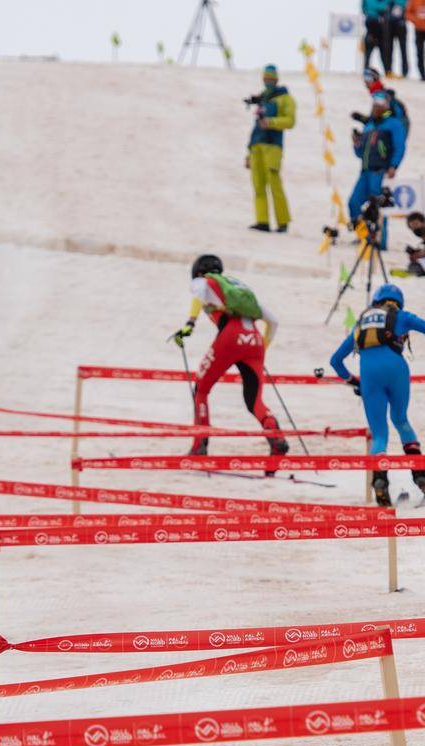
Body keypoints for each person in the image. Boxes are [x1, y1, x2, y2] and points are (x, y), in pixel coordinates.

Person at [329, 284, 425, 508]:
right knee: (401, 419)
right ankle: (421, 477)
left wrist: (353, 381)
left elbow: (335, 361)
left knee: (379, 435)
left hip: (369, 374)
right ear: (397, 301)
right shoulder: (400, 315)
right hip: (397, 370)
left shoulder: (361, 322)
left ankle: (380, 481)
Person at [171, 254, 288, 469]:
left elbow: (199, 289)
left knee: (201, 389)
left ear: (198, 272)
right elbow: (274, 321)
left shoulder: (208, 282)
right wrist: (262, 347)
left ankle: (200, 445)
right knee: (254, 400)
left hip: (230, 336)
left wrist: (190, 324)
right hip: (254, 339)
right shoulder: (238, 289)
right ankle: (277, 438)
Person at [349, 92, 407, 246]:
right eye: (375, 102)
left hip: (381, 171)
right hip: (365, 171)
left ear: (387, 105)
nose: (377, 105)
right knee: (354, 202)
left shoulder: (394, 124)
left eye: (381, 102)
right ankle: (363, 235)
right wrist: (356, 143)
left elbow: (399, 146)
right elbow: (360, 153)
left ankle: (378, 240)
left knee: (378, 207)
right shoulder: (369, 125)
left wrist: (393, 165)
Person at [246, 65, 296, 234]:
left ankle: (283, 222)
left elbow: (290, 121)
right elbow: (255, 127)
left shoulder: (285, 98)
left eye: (270, 78)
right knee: (258, 185)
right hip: (257, 145)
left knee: (275, 183)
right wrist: (248, 151)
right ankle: (262, 221)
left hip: (272, 145)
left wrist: (272, 122)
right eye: (265, 78)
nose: (267, 81)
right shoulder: (263, 99)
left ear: (276, 79)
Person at [362, 0, 391, 76]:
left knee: (383, 52)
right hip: (372, 26)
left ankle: (387, 71)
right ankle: (366, 71)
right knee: (368, 52)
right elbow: (365, 9)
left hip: (380, 28)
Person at [385, 2, 409, 78]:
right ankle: (388, 70)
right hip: (390, 25)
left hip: (401, 25)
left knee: (403, 49)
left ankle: (404, 72)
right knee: (389, 48)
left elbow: (410, 8)